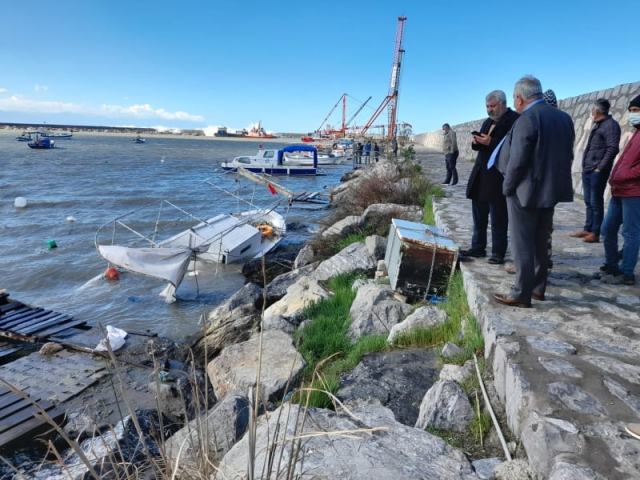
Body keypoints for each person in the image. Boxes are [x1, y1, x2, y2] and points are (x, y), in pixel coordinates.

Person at [493, 75, 575, 308]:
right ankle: (538, 288)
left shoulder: (527, 119)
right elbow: (566, 154)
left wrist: (507, 187)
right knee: (541, 240)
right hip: (551, 190)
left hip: (524, 191)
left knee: (522, 244)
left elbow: (518, 160)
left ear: (519, 98)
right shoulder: (564, 118)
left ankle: (521, 292)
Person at [460, 90, 519, 264]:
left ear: (502, 103)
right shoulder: (488, 121)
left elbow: (514, 148)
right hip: (481, 176)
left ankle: (498, 252)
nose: (489, 110)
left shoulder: (514, 121)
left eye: (492, 106)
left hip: (498, 177)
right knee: (479, 216)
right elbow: (482, 146)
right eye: (487, 106)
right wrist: (476, 142)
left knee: (499, 217)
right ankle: (478, 247)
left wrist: (490, 142)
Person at [599, 93, 640, 285]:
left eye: (636, 110)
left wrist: (623, 175)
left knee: (631, 233)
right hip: (619, 190)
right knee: (607, 229)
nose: (632, 114)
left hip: (633, 192)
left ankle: (627, 273)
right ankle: (612, 264)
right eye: (631, 110)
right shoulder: (636, 133)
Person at [570, 98, 621, 243]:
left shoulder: (611, 126)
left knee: (595, 202)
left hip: (597, 171)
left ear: (597, 111)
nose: (591, 112)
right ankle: (588, 228)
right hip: (588, 169)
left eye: (592, 109)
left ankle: (596, 232)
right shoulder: (598, 124)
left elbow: (612, 148)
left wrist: (600, 168)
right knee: (588, 201)